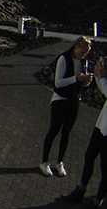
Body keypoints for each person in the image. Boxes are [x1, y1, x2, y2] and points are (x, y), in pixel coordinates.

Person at [57, 58, 107, 209]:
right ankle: (81, 189)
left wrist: (103, 77)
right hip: (102, 125)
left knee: (106, 170)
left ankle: (96, 204)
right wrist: (99, 76)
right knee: (89, 156)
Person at [39, 36, 93, 177]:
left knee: (66, 132)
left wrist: (86, 81)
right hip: (60, 99)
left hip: (73, 100)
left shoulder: (83, 62)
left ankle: (59, 162)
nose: (83, 56)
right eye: (82, 52)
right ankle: (44, 161)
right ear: (76, 47)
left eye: (85, 54)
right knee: (54, 129)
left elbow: (82, 84)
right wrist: (76, 78)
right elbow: (58, 83)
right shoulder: (64, 59)